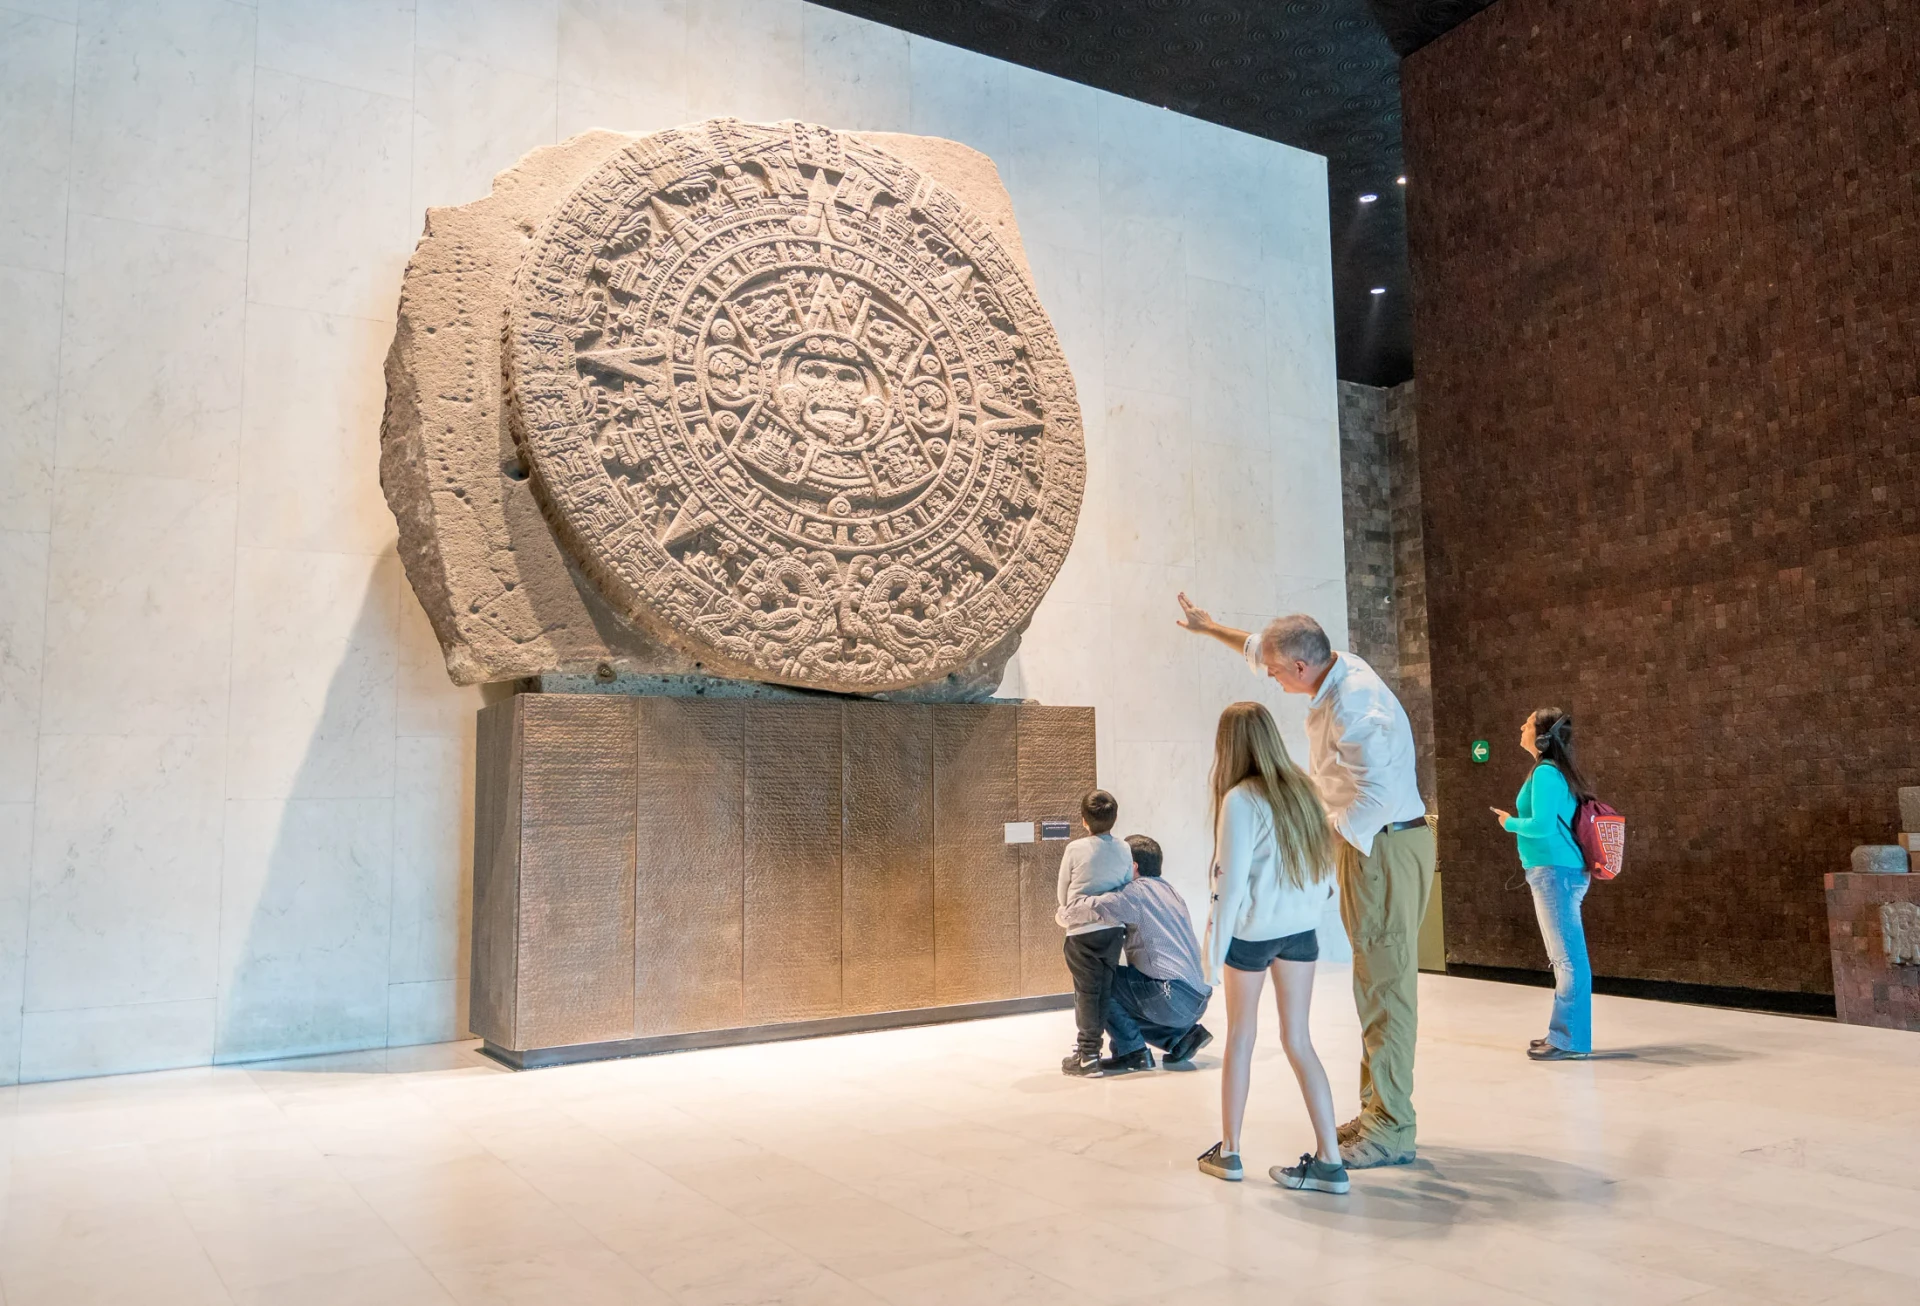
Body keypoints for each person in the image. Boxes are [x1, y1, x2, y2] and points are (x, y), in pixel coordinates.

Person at [1176, 595, 1433, 1169]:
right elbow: (1261, 648)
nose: (1269, 678)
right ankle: (1377, 1111)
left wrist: (1314, 838)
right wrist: (1211, 625)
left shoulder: (1356, 706)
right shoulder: (1326, 667)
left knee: (1385, 989)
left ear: (1300, 667)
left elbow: (1378, 797)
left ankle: (1392, 1126)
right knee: (1371, 982)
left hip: (1385, 843)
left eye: (1274, 672)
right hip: (1375, 845)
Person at [1195, 702, 1349, 1195]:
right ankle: (1330, 1161)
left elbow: (1229, 880)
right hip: (1301, 931)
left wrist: (1211, 953)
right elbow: (1325, 860)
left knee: (1241, 1037)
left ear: (1229, 745)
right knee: (1298, 1040)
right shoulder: (1303, 787)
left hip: (1252, 933)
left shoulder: (1239, 799)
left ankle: (1230, 1151)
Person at [1056, 834, 1214, 1070]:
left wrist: (1064, 914)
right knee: (1129, 995)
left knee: (1099, 981)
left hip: (1169, 995)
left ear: (1133, 866)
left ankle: (1133, 1053)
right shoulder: (1171, 892)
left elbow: (1097, 906)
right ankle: (1181, 1039)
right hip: (1197, 996)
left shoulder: (1135, 893)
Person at [1492, 708, 1594, 1060]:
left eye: (1528, 723)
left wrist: (1510, 823)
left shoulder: (1547, 774)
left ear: (1542, 736)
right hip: (1554, 872)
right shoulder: (1549, 771)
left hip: (1556, 873)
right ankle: (1563, 1033)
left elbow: (1542, 826)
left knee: (1567, 959)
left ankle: (1569, 1039)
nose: (1521, 726)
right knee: (1563, 958)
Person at [1057, 789, 1135, 1076]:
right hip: (1113, 930)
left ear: (1084, 821)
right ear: (1114, 818)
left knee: (1087, 992)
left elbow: (1063, 894)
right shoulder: (1125, 848)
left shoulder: (1075, 849)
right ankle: (1093, 1049)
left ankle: (1088, 1054)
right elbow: (1127, 886)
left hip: (1081, 932)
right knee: (1104, 991)